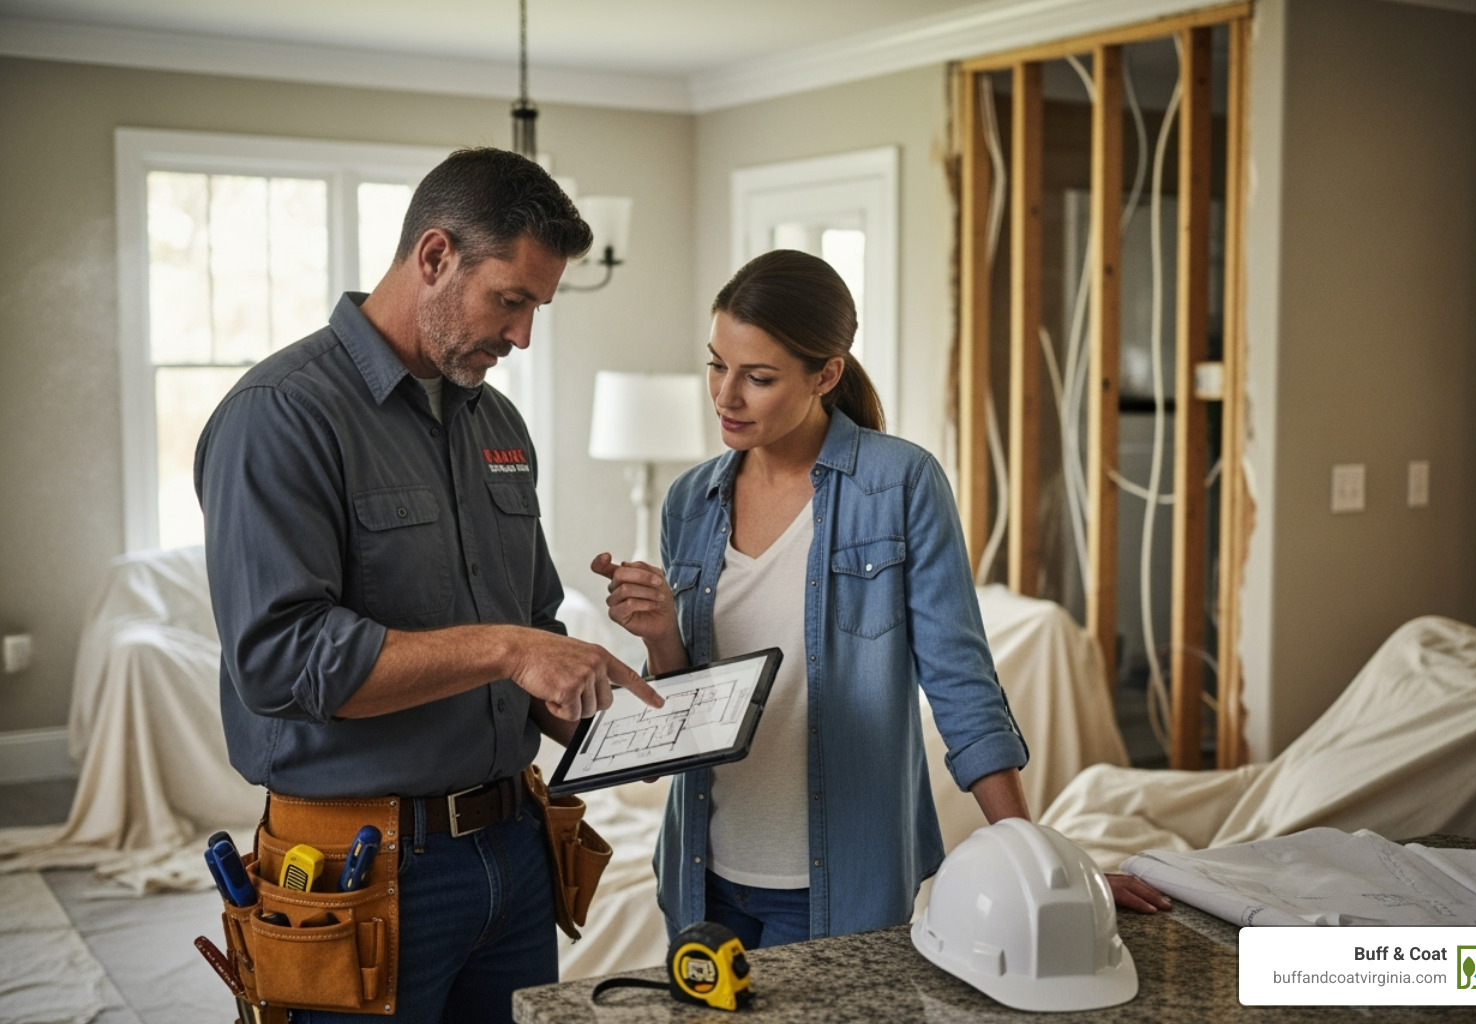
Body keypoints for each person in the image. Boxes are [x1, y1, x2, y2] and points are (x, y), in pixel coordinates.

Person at [195, 147, 661, 1023]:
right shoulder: (280, 416)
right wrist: (509, 649)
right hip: (359, 871)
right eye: (511, 299)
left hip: (518, 855)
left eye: (537, 308)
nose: (522, 336)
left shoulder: (498, 422)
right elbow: (282, 663)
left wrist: (625, 711)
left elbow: (532, 629)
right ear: (436, 257)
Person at [593, 249, 1168, 949]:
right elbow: (691, 709)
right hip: (700, 877)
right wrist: (660, 638)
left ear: (826, 374)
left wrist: (1041, 865)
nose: (725, 395)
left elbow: (962, 687)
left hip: (842, 886)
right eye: (717, 364)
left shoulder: (900, 485)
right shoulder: (691, 501)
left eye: (759, 376)